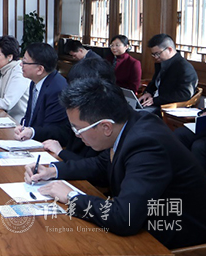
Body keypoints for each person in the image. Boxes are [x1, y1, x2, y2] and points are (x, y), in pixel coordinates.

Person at [25, 78, 206, 249]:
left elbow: (124, 217)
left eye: (78, 129)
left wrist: (71, 197)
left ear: (106, 127)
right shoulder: (128, 125)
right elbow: (102, 165)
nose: (76, 135)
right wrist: (52, 171)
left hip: (170, 236)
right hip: (142, 221)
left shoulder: (147, 145)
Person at [43, 57, 113, 174]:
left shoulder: (106, 119)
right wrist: (32, 131)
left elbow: (97, 167)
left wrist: (61, 153)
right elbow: (65, 131)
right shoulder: (79, 110)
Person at [15, 42, 72, 146]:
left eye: (24, 62)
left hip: (50, 146)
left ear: (40, 69)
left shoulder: (57, 89)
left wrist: (32, 132)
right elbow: (30, 115)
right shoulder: (36, 81)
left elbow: (55, 130)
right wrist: (23, 127)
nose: (21, 64)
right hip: (33, 141)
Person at [138, 34, 197, 113]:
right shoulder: (162, 63)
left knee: (138, 114)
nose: (155, 57)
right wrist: (148, 92)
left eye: (158, 54)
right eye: (153, 54)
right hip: (155, 103)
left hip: (167, 107)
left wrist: (155, 100)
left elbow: (184, 94)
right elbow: (155, 83)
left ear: (169, 49)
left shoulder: (184, 68)